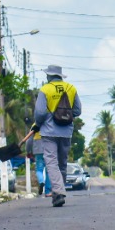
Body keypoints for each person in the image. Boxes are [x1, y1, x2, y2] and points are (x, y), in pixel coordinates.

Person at [33, 64, 80, 208]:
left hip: (48, 132)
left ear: (49, 76)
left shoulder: (45, 89)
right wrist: (65, 115)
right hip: (66, 132)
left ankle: (58, 193)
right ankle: (60, 191)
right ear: (60, 76)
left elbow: (40, 112)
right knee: (62, 163)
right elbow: (77, 110)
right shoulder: (71, 88)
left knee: (51, 162)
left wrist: (40, 123)